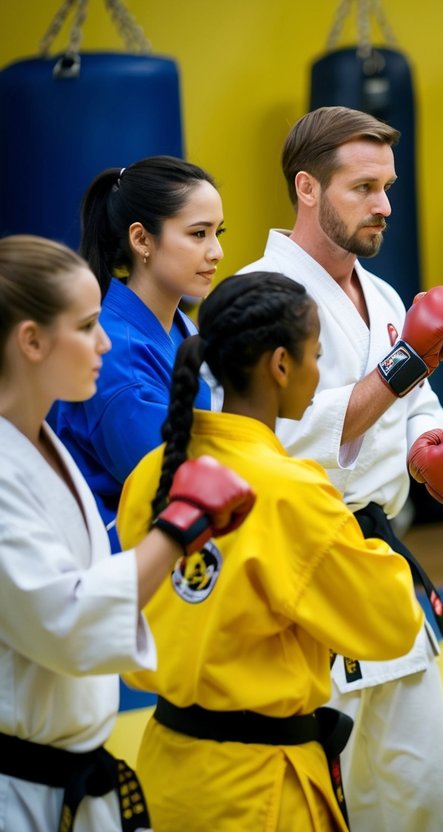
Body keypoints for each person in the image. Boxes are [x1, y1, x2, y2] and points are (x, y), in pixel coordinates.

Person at [239, 105, 443, 831]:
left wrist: (427, 444)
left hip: (383, 562)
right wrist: (408, 362)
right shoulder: (257, 297)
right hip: (304, 573)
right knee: (329, 798)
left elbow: (413, 402)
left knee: (427, 796)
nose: (383, 205)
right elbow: (278, 432)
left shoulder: (380, 293)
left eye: (388, 187)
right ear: (308, 190)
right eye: (363, 188)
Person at [116, 271, 431, 830]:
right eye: (314, 355)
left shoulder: (151, 474)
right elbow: (390, 624)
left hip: (166, 768)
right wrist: (374, 540)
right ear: (280, 366)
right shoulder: (292, 492)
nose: (318, 371)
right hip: (260, 789)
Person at [0, 234, 255, 832]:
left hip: (71, 773)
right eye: (87, 325)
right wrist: (178, 526)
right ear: (31, 341)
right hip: (20, 793)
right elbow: (66, 618)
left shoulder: (42, 444)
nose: (106, 341)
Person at [56, 156, 225, 550]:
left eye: (219, 232)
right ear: (141, 239)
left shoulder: (182, 327)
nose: (216, 251)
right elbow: (168, 487)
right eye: (198, 234)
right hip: (128, 563)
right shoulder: (114, 354)